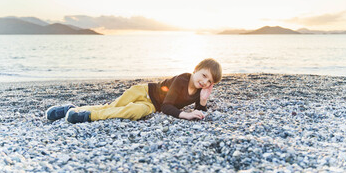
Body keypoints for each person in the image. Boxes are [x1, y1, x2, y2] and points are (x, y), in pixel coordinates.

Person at [45, 58, 222, 123]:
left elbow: (199, 113)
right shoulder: (182, 79)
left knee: (132, 111)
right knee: (112, 106)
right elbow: (168, 106)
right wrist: (185, 114)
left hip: (151, 106)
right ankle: (71, 110)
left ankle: (83, 114)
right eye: (204, 75)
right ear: (196, 69)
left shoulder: (201, 91)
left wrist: (203, 101)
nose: (204, 82)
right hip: (143, 92)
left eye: (210, 81)